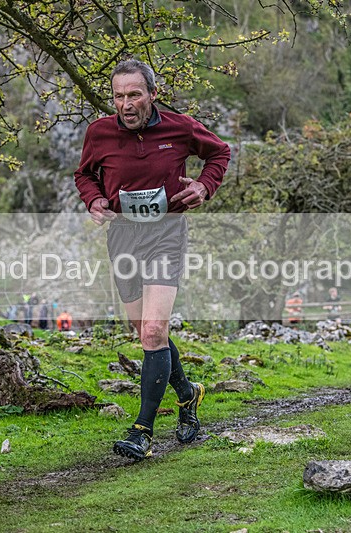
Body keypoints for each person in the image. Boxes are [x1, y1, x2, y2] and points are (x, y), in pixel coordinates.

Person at [74, 58, 230, 460]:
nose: (125, 104)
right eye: (118, 96)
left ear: (152, 95)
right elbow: (84, 175)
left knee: (154, 332)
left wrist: (204, 187)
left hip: (166, 234)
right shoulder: (100, 133)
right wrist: (93, 200)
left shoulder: (180, 127)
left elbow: (219, 153)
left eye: (134, 94)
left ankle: (142, 429)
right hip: (123, 237)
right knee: (143, 331)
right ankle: (188, 392)